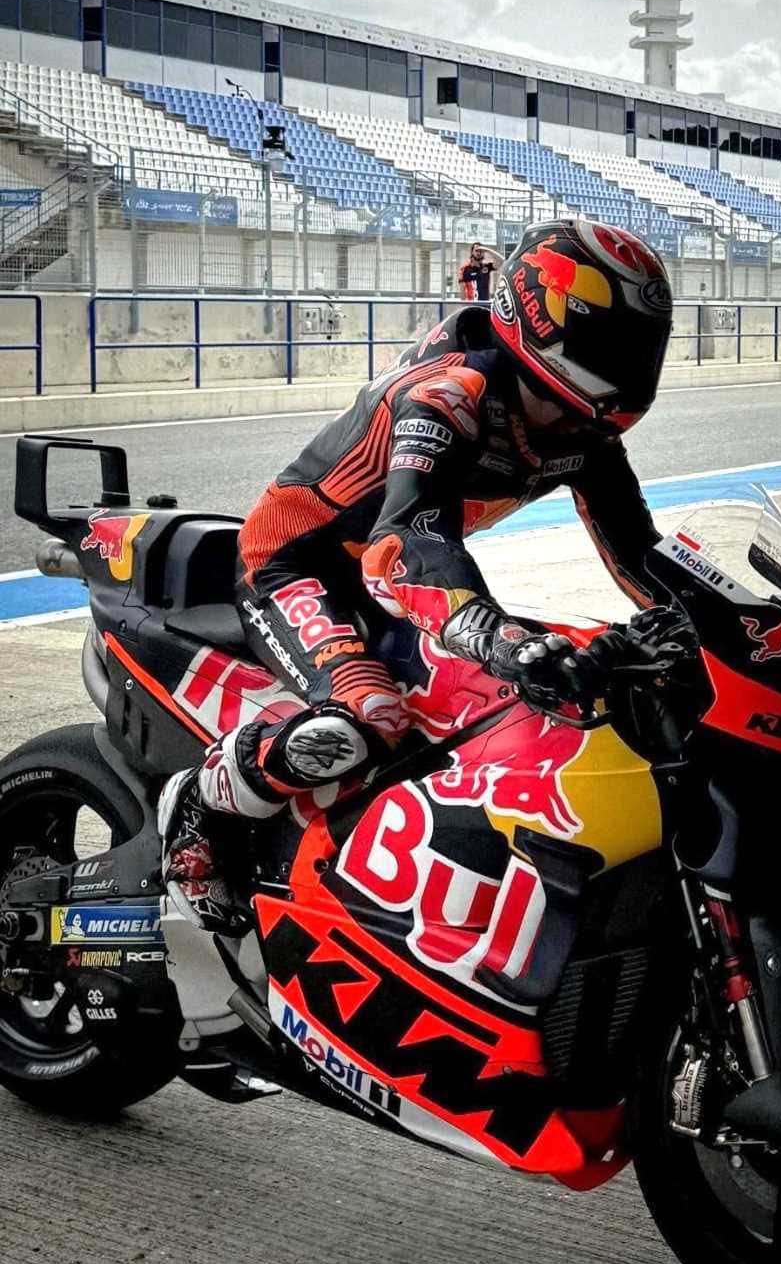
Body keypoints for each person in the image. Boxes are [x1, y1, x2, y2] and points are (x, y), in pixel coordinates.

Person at [160, 218, 677, 932]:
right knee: (368, 720)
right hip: (296, 563)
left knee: (499, 708)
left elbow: (639, 553)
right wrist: (493, 634)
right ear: (543, 316)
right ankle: (200, 807)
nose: (625, 361)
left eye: (639, 344)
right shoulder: (450, 396)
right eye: (610, 340)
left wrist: (734, 624)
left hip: (383, 577)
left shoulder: (583, 429)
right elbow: (408, 535)